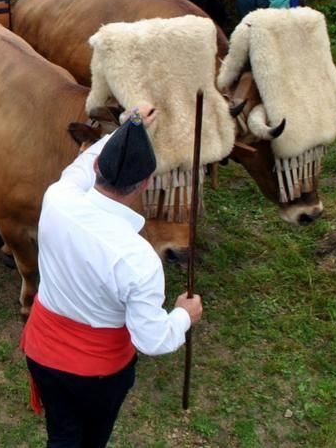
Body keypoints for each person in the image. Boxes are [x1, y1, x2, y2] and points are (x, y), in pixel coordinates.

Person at [21, 107, 203, 448]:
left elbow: (79, 167)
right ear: (146, 182)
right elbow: (152, 339)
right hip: (97, 374)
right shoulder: (139, 261)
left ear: (96, 168)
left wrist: (124, 130)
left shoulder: (58, 198)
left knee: (61, 431)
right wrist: (183, 316)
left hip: (42, 351)